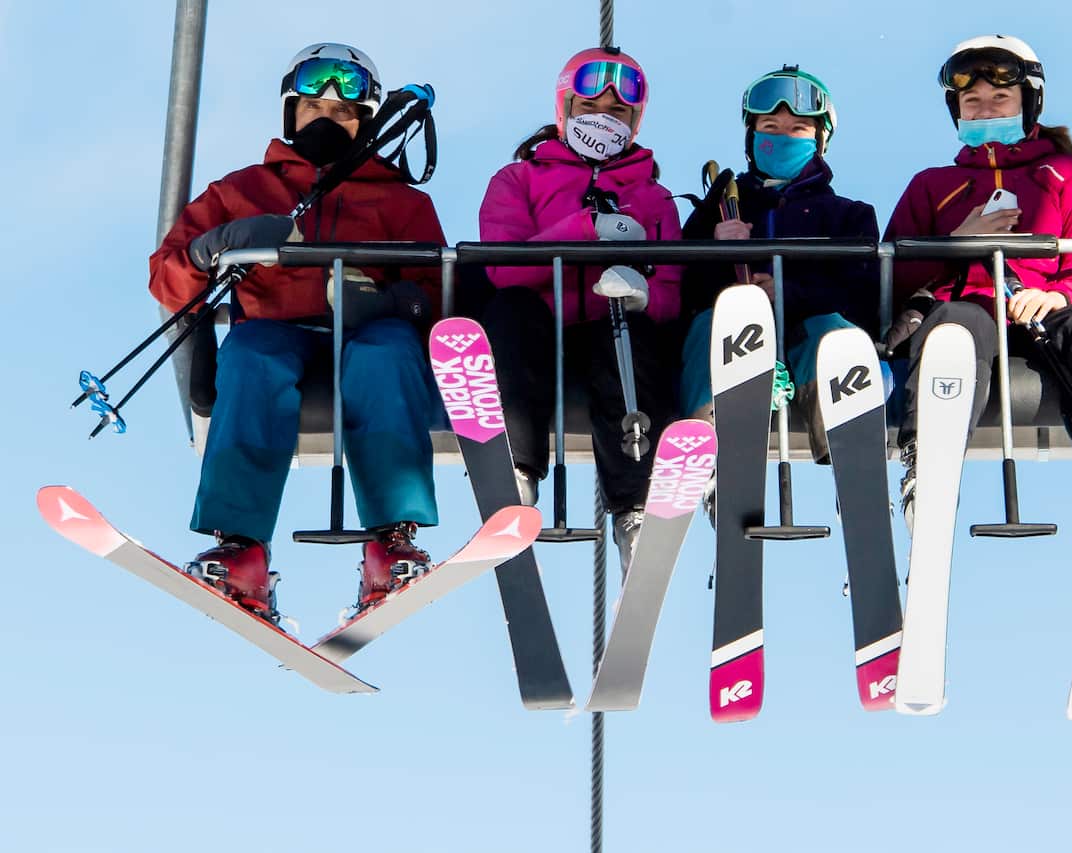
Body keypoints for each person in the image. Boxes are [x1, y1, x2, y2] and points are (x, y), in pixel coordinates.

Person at [149, 43, 448, 620]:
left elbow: (435, 286)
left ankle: (391, 540)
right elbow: (167, 279)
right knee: (253, 354)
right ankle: (241, 549)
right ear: (291, 116)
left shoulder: (401, 202)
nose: (327, 122)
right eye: (314, 111)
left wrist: (396, 301)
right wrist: (210, 249)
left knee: (388, 353)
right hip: (277, 330)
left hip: (365, 333)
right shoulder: (242, 191)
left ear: (365, 121)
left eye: (343, 114)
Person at [883, 34, 1072, 529]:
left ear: (1029, 102)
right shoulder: (932, 185)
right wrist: (958, 240)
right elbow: (894, 276)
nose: (984, 110)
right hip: (974, 307)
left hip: (1048, 310)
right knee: (952, 324)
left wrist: (1054, 294)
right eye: (971, 102)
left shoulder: (1065, 173)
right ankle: (930, 462)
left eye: (999, 99)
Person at [477, 46, 681, 571]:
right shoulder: (518, 180)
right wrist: (583, 233)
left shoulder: (653, 198)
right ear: (565, 109)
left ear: (636, 122)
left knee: (630, 341)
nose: (604, 121)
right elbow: (504, 267)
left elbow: (674, 289)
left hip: (606, 331)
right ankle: (516, 477)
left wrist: (644, 295)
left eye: (618, 113)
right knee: (512, 313)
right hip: (540, 329)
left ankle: (634, 509)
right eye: (592, 110)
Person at [679, 66, 881, 467]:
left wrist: (787, 292)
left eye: (798, 129)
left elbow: (862, 291)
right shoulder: (719, 209)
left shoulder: (848, 216)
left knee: (835, 333)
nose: (782, 137)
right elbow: (681, 289)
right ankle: (707, 449)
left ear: (819, 141)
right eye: (770, 126)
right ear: (752, 138)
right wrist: (713, 249)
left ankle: (850, 453)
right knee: (712, 323)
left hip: (806, 335)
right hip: (734, 342)